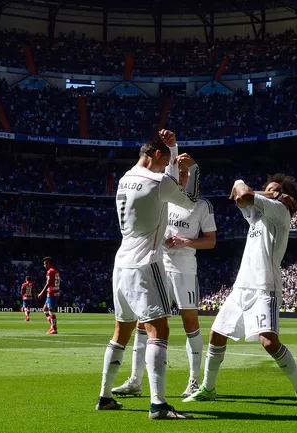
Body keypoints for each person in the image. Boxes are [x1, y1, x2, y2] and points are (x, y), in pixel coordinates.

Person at [95, 129, 199, 420]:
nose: (169, 164)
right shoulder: (158, 181)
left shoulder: (125, 179)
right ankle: (158, 404)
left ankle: (104, 396)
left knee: (121, 333)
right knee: (159, 331)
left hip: (122, 263)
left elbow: (166, 175)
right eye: (166, 159)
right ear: (156, 156)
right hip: (146, 263)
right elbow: (189, 201)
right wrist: (188, 173)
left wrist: (173, 148)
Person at [185, 175, 297, 411]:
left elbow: (244, 194)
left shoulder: (279, 212)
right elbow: (237, 192)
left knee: (268, 342)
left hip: (265, 287)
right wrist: (265, 190)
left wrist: (267, 195)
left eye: (273, 189)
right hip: (241, 286)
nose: (266, 192)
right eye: (266, 189)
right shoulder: (257, 213)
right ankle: (208, 389)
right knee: (217, 334)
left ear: (285, 198)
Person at [112, 158, 217, 399]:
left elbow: (210, 241)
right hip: (156, 267)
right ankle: (135, 380)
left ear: (190, 176)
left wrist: (185, 241)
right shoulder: (162, 197)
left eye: (184, 173)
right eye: (177, 172)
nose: (180, 176)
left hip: (184, 269)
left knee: (190, 323)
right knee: (142, 323)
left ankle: (193, 380)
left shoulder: (202, 205)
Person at [37, 257, 60, 334]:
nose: (44, 265)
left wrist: (41, 293)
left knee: (51, 311)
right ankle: (52, 326)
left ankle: (54, 329)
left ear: (49, 263)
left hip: (52, 293)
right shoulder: (56, 271)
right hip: (55, 292)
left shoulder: (50, 271)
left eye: (45, 263)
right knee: (45, 309)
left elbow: (48, 283)